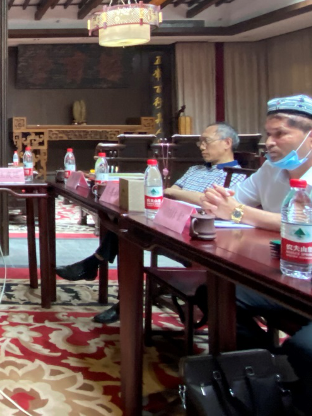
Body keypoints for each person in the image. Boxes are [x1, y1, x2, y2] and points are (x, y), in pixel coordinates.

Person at [57, 122, 247, 323]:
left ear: (227, 143)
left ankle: (97, 269)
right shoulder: (195, 169)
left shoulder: (236, 175)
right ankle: (120, 296)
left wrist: (179, 193)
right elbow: (169, 192)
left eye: (206, 141)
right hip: (170, 223)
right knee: (126, 226)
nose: (201, 147)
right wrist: (182, 194)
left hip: (196, 237)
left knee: (128, 231)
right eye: (200, 142)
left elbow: (210, 203)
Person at [202, 94, 312, 409]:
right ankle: (265, 369)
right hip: (287, 274)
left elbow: (301, 223)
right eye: (268, 134)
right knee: (215, 292)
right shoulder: (271, 169)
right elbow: (234, 201)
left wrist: (238, 212)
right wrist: (218, 200)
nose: (270, 143)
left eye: (280, 134)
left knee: (304, 349)